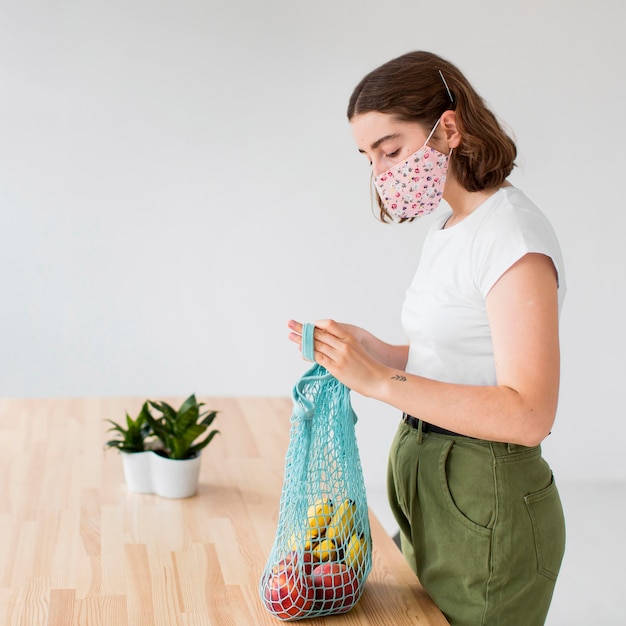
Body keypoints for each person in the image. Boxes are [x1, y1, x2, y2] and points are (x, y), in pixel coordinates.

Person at [288, 51, 566, 626]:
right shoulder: (452, 228)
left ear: (449, 127)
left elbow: (529, 412)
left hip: (485, 500)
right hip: (434, 489)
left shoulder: (512, 237)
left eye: (390, 150)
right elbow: (462, 356)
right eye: (368, 158)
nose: (381, 172)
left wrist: (381, 381)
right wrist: (375, 352)